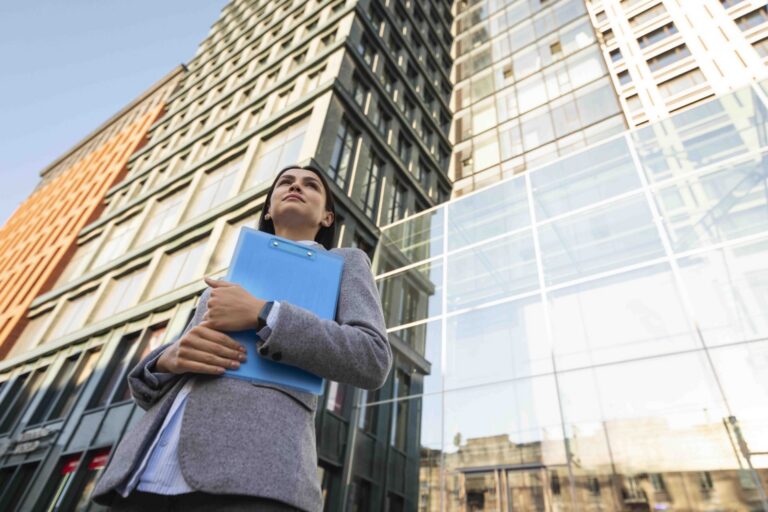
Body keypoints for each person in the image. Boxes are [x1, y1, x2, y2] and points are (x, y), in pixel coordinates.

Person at [91, 164, 392, 511]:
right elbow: (151, 391)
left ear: (327, 217)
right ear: (268, 208)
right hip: (146, 472)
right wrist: (166, 360)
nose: (296, 186)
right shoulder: (224, 282)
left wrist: (265, 314)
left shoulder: (345, 263)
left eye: (310, 185)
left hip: (256, 474)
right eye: (285, 182)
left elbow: (372, 358)